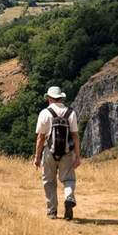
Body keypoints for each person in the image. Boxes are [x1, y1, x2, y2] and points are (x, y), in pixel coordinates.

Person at [33, 86, 81, 220]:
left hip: (49, 152)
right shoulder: (70, 113)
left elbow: (40, 138)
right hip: (67, 153)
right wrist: (77, 156)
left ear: (49, 98)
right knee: (69, 179)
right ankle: (69, 197)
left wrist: (37, 157)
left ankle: (52, 211)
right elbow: (75, 136)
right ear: (61, 97)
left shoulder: (44, 113)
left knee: (49, 181)